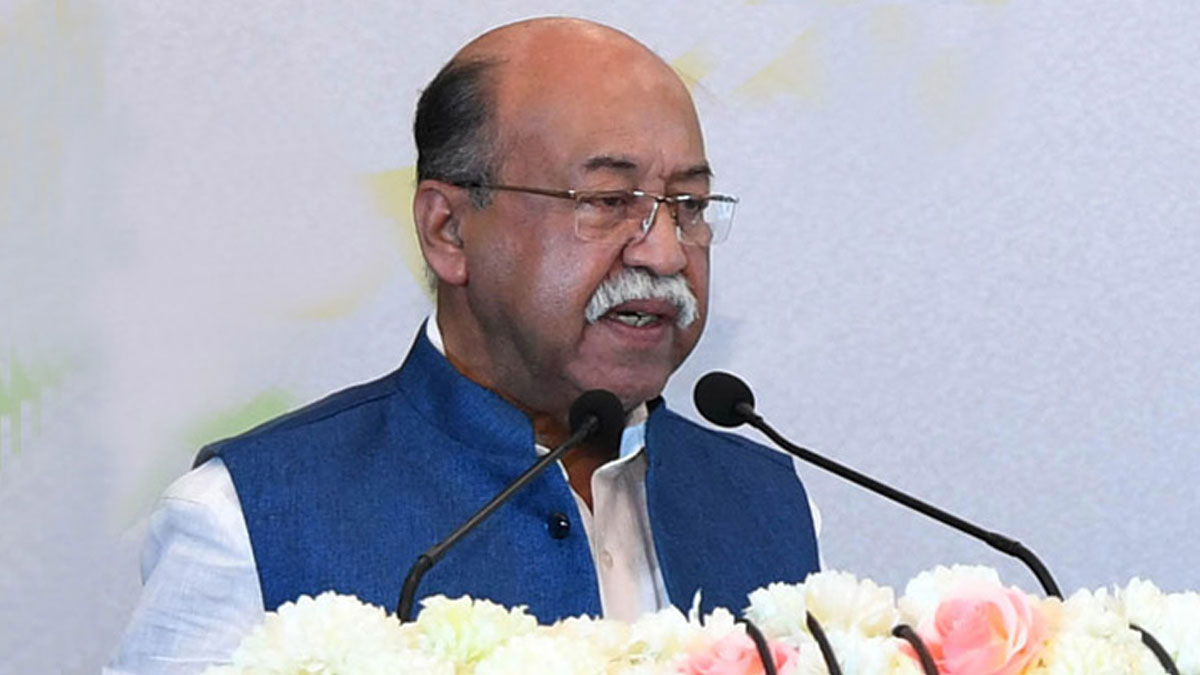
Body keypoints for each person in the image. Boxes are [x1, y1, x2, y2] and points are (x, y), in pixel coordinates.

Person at [107, 17, 820, 674]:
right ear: (447, 230)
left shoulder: (767, 503)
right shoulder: (247, 519)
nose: (665, 253)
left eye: (688, 206)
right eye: (608, 201)